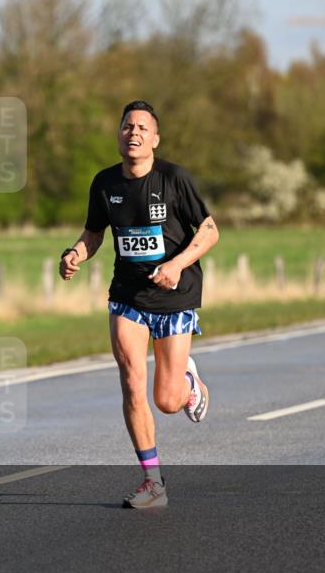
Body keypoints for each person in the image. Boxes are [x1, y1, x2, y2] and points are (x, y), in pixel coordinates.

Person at [59, 100, 218, 509]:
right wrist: (76, 253)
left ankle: (186, 383)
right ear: (118, 135)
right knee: (131, 382)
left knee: (165, 401)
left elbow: (210, 230)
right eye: (127, 126)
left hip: (174, 295)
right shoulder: (105, 183)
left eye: (143, 128)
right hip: (127, 296)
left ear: (156, 139)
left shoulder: (173, 179)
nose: (134, 133)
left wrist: (178, 264)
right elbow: (94, 234)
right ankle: (153, 483)